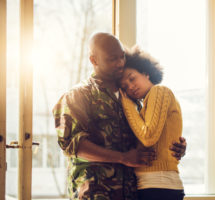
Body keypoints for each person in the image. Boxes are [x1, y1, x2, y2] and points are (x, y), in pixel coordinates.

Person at [52, 32, 186, 200]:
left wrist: (175, 146)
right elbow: (71, 144)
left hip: (134, 192)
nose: (120, 63)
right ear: (94, 60)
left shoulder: (133, 98)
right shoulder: (77, 95)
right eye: (112, 59)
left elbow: (148, 134)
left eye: (122, 57)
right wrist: (122, 158)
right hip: (95, 193)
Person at [119, 47, 185, 200]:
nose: (130, 87)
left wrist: (127, 104)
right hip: (152, 185)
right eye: (124, 87)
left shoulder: (159, 91)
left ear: (145, 73)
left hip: (160, 186)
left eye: (132, 78)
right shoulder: (144, 106)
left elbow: (148, 137)